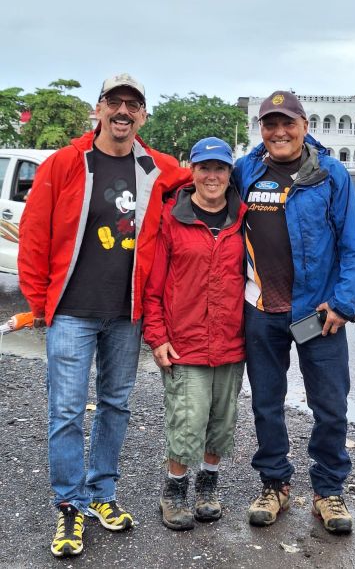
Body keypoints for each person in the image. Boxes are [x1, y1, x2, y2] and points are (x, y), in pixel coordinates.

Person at [18, 73, 191, 557]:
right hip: (71, 312)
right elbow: (34, 234)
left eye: (132, 105)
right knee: (67, 411)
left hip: (125, 314)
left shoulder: (155, 167)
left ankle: (102, 494)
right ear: (97, 109)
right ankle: (69, 506)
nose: (123, 111)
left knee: (116, 406)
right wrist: (37, 305)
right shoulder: (65, 163)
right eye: (114, 102)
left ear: (143, 116)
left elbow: (204, 176)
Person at [232, 91, 355, 534]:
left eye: (287, 123)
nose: (279, 132)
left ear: (305, 126)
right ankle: (275, 485)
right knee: (267, 404)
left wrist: (344, 304)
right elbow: (205, 194)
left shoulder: (330, 175)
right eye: (270, 124)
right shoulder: (246, 171)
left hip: (320, 313)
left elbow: (354, 248)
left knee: (330, 406)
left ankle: (328, 491)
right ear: (262, 131)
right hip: (262, 309)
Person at [142, 137, 246, 531]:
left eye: (220, 168)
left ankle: (207, 487)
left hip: (232, 343)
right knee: (187, 421)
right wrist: (157, 337)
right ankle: (173, 492)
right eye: (205, 168)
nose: (212, 176)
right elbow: (153, 287)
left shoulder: (243, 219)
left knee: (221, 422)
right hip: (184, 343)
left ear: (229, 173)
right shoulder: (172, 219)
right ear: (193, 171)